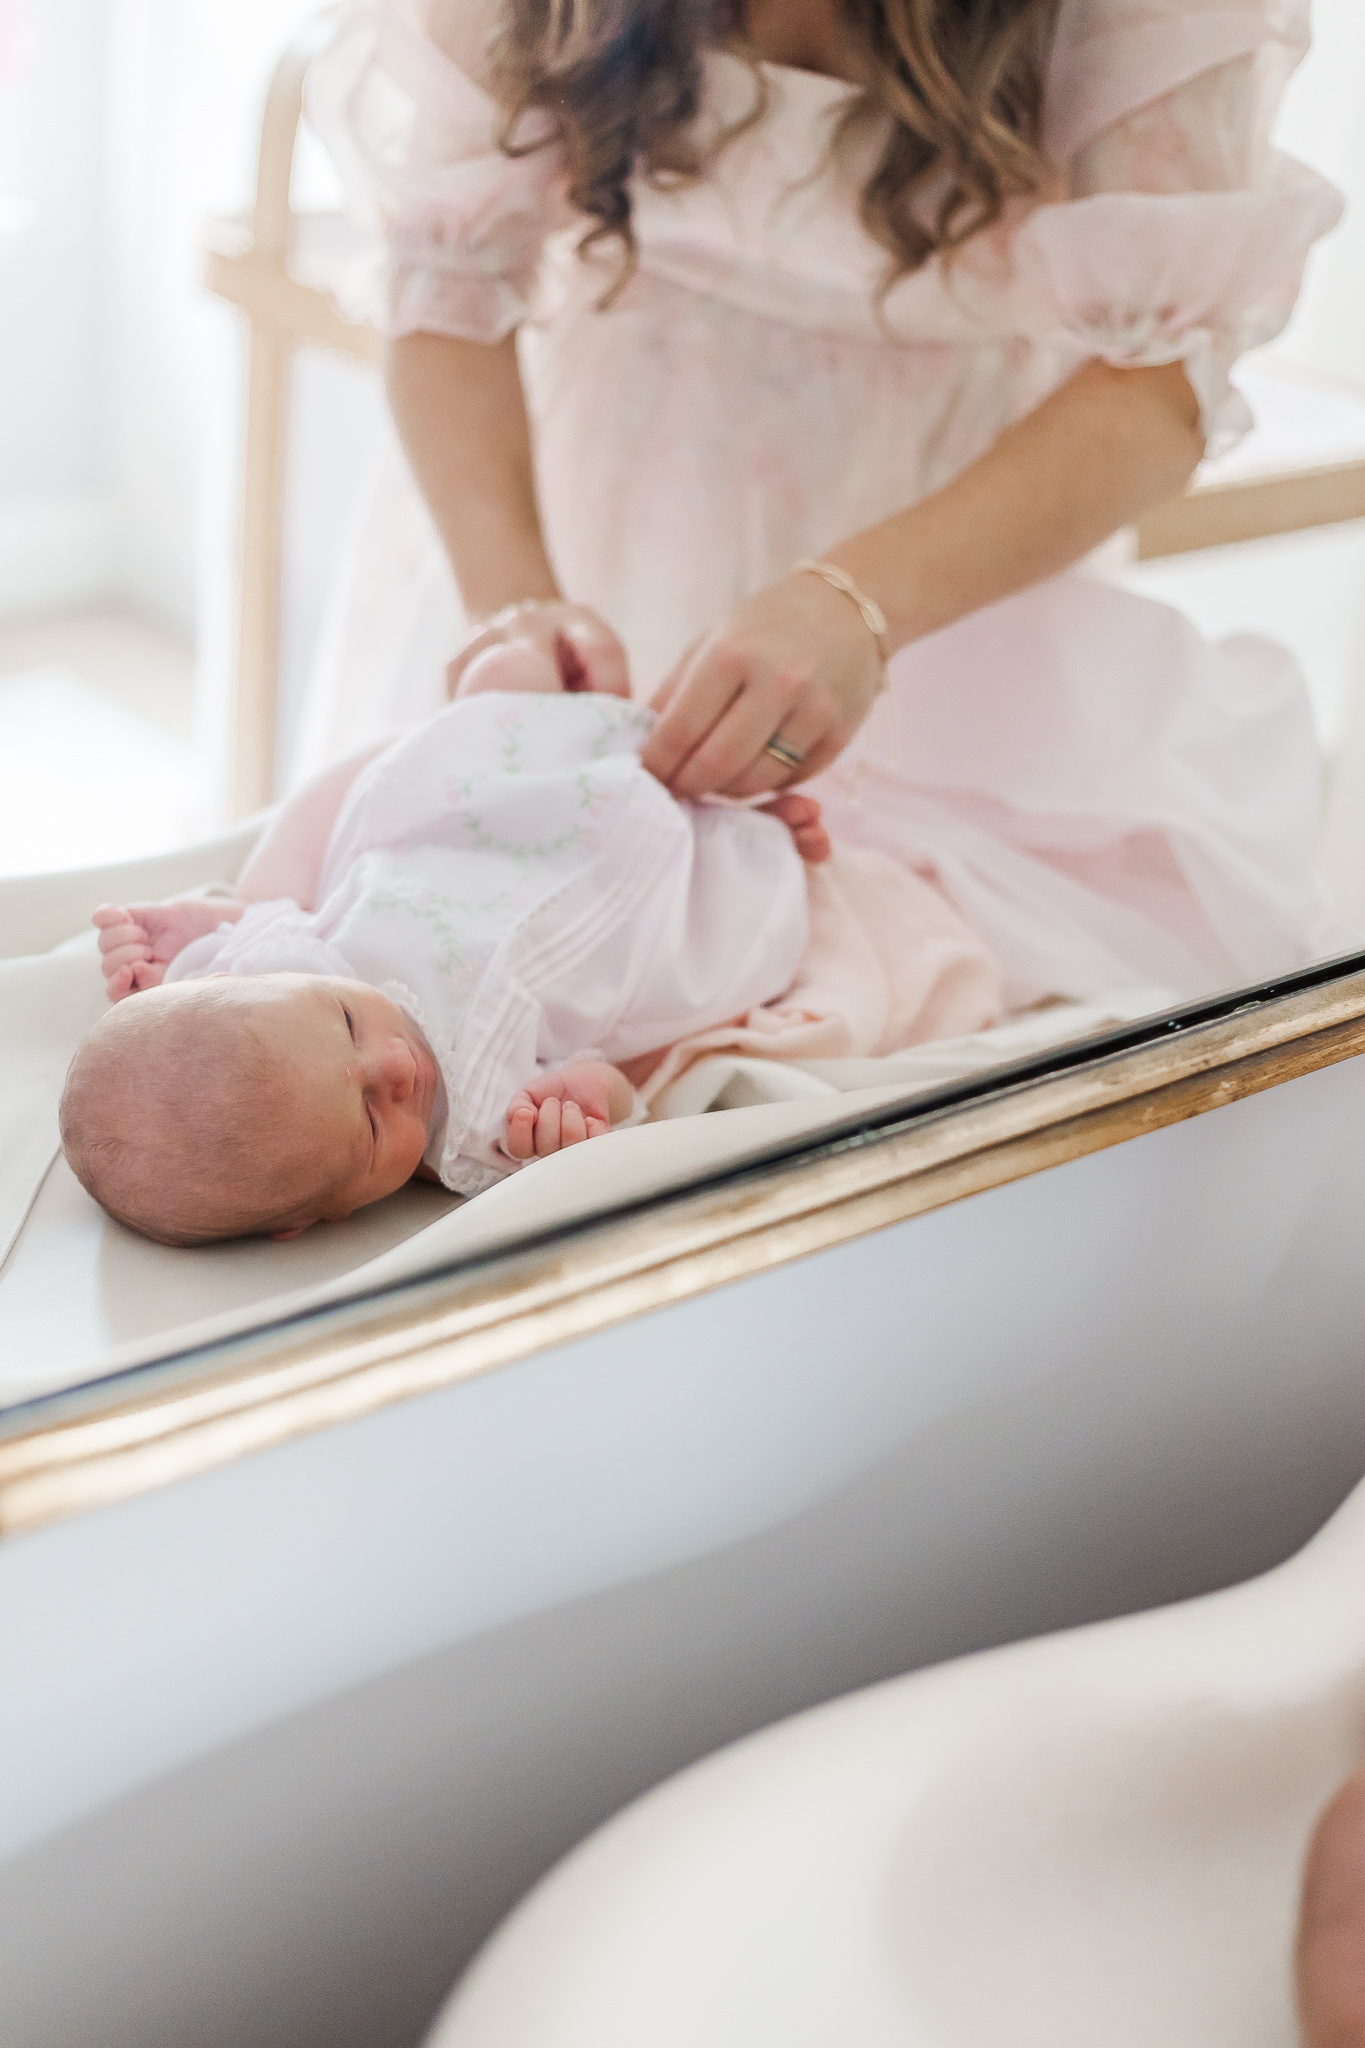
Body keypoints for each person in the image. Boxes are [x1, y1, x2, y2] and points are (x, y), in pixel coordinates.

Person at [300, 0, 1350, 1016]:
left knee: (886, 1016)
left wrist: (858, 602)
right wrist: (513, 606)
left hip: (947, 590)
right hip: (565, 522)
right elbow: (446, 283)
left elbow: (1157, 384)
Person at [60, 649, 998, 1245]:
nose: (395, 1063)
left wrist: (179, 934)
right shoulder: (472, 1141)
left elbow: (246, 923)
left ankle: (551, 727)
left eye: (347, 1024)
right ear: (313, 1219)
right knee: (717, 937)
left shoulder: (270, 985)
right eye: (372, 1121)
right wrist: (576, 1110)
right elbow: (619, 1080)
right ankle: (738, 842)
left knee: (430, 783)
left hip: (483, 845)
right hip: (605, 929)